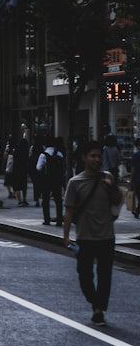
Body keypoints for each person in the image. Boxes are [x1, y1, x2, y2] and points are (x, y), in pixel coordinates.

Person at [63, 141, 123, 326]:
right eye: (93, 156)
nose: (97, 159)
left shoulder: (108, 178)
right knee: (84, 274)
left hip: (106, 236)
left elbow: (118, 200)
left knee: (105, 275)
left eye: (99, 156)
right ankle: (94, 301)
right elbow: (69, 211)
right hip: (85, 237)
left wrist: (111, 187)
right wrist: (65, 236)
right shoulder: (75, 182)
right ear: (84, 158)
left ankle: (98, 310)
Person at [37, 137, 65, 226]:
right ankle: (59, 220)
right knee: (58, 200)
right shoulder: (59, 154)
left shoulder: (43, 155)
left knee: (45, 200)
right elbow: (63, 167)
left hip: (46, 179)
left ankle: (47, 219)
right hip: (57, 179)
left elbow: (38, 167)